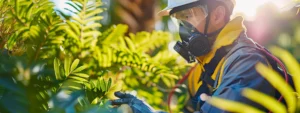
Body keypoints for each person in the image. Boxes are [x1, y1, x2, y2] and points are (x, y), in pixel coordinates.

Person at [111, 0, 290, 112]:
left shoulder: (248, 63)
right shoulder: (203, 68)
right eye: (179, 20)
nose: (183, 28)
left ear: (218, 15)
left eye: (188, 16)